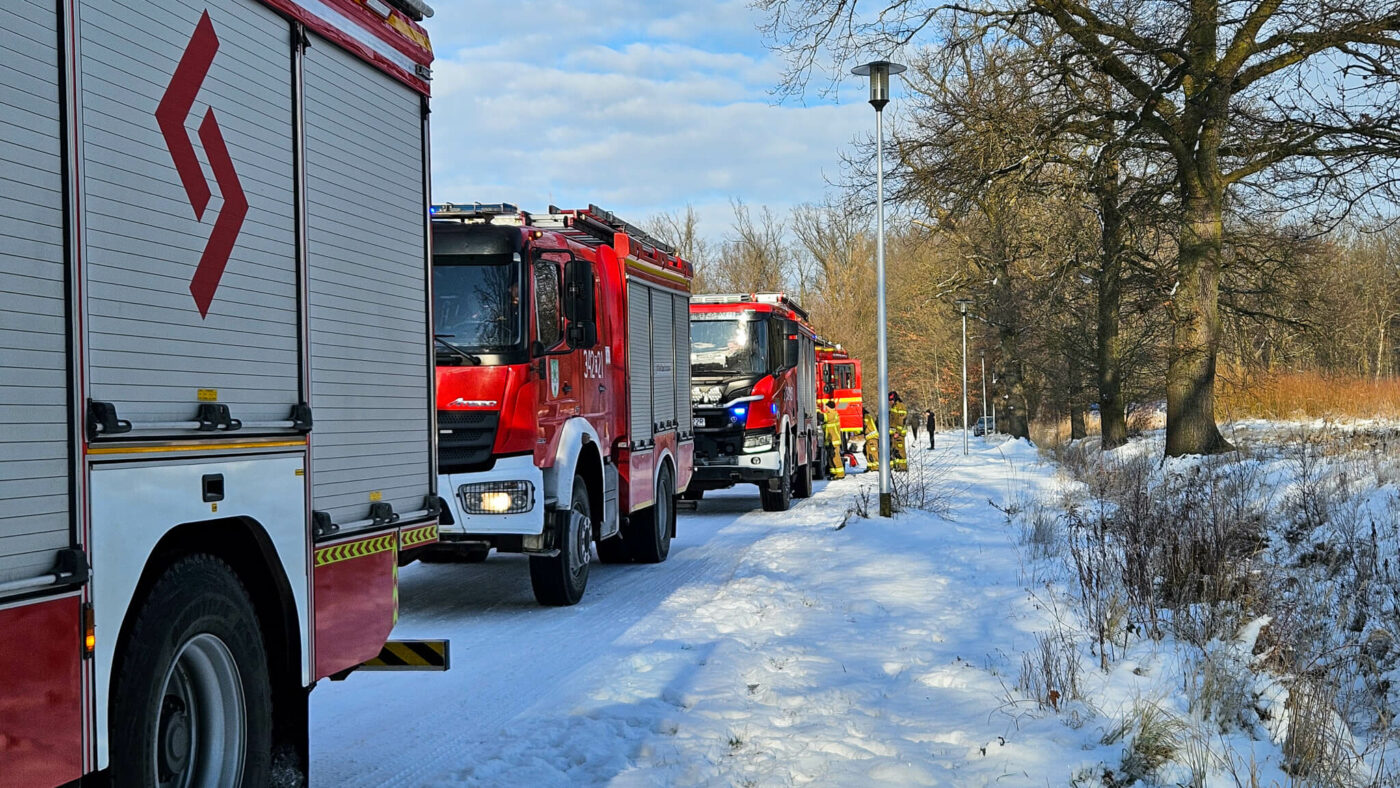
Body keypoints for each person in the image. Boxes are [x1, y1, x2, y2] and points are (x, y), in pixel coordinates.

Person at [820, 400, 845, 479]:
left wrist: (816, 410)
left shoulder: (833, 414)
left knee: (835, 457)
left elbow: (821, 417)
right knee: (830, 457)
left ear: (829, 407)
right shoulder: (830, 414)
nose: (825, 407)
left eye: (826, 406)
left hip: (834, 441)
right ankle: (833, 473)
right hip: (830, 441)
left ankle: (840, 474)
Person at [888, 392, 908, 472]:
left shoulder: (900, 406)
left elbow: (901, 421)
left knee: (900, 450)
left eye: (891, 400)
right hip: (894, 433)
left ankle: (902, 467)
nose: (890, 402)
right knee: (894, 449)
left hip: (899, 434)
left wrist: (898, 432)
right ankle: (896, 466)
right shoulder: (894, 406)